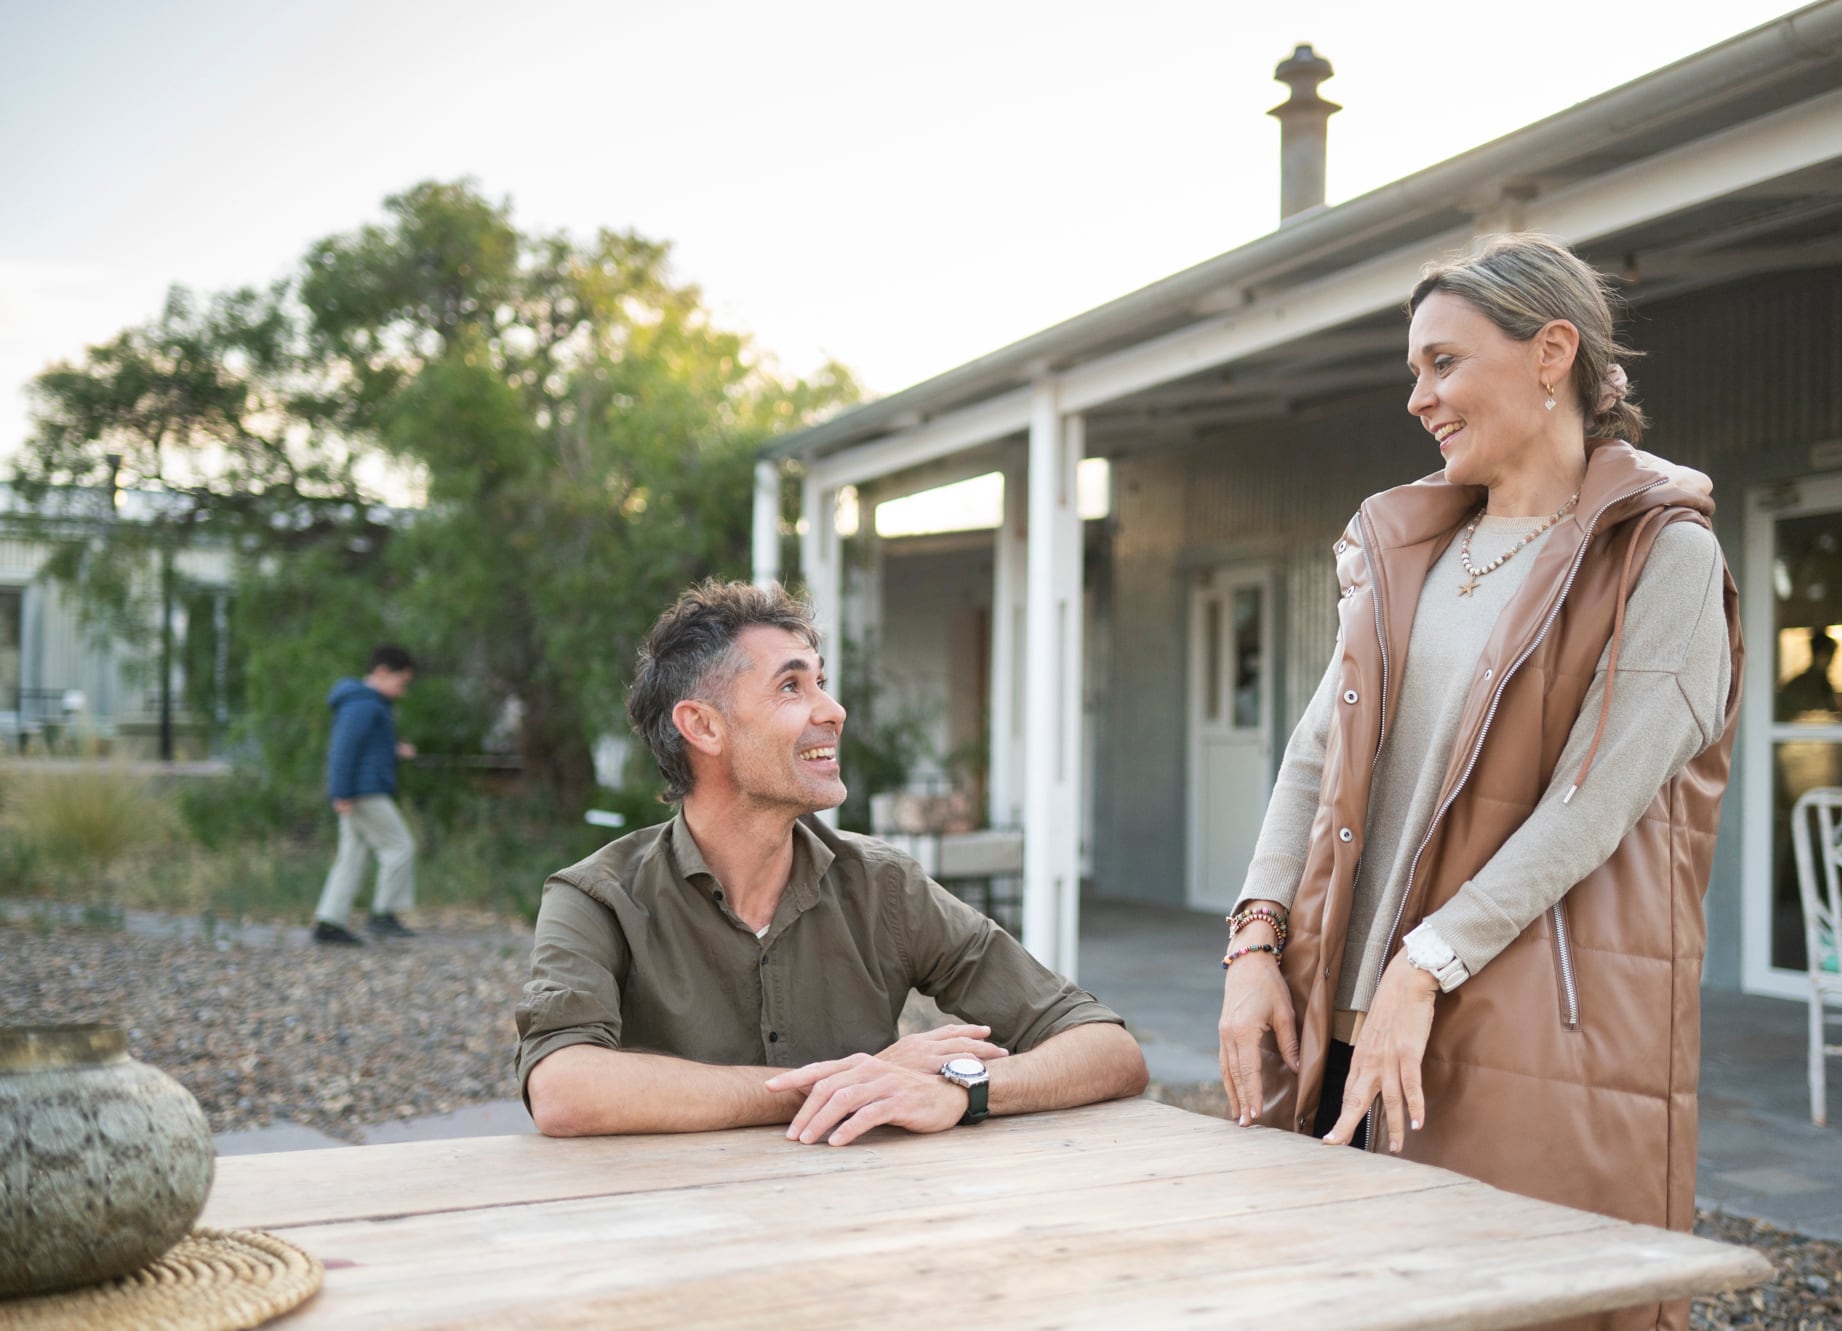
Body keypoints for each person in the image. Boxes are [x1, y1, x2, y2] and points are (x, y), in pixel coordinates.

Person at [1216, 234, 1741, 1331]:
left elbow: (1593, 801)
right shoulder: (1404, 550)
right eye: (1413, 370)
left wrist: (1426, 960)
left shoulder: (1664, 557)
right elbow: (1314, 754)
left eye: (1442, 363)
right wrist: (1254, 940)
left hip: (1515, 1018)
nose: (1418, 398)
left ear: (1551, 353)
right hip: (1346, 1016)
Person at [514, 580, 1148, 1144]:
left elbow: (1108, 1050)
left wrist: (964, 1089)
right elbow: (564, 1088)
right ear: (703, 727)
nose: (832, 710)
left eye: (821, 681)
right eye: (792, 686)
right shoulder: (594, 897)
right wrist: (851, 1084)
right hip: (669, 1240)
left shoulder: (884, 885)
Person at [311, 644, 420, 945]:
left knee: (352, 856)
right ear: (382, 673)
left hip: (358, 790)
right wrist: (341, 792)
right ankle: (382, 915)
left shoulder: (369, 704)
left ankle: (329, 923)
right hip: (364, 793)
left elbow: (366, 747)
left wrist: (394, 750)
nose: (402, 691)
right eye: (401, 683)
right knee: (400, 846)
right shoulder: (364, 704)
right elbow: (343, 751)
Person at [1776, 630, 1840, 720]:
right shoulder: (1798, 686)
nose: (1830, 662)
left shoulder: (1825, 685)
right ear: (1817, 655)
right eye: (1827, 656)